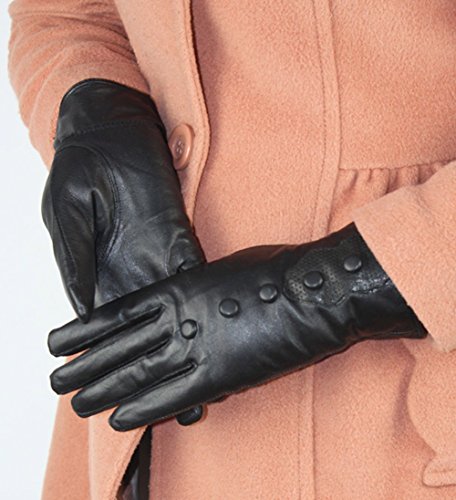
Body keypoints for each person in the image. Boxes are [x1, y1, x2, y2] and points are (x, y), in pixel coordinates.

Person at [7, 1, 456, 499]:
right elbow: (62, 12)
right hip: (148, 374)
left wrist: (331, 287)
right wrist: (93, 101)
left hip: (399, 411)